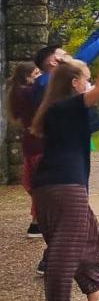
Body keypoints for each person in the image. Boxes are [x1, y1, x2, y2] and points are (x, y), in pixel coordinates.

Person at [30, 25, 99, 301]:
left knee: (89, 238)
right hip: (64, 186)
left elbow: (94, 93)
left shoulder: (60, 108)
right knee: (66, 248)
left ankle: (96, 299)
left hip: (58, 185)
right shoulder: (63, 107)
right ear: (75, 84)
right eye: (85, 79)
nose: (89, 83)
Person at [6, 61, 42, 237]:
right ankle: (37, 222)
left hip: (30, 143)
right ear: (27, 77)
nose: (40, 77)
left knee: (34, 182)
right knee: (40, 184)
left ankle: (37, 221)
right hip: (39, 143)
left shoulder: (17, 93)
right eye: (36, 74)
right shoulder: (28, 93)